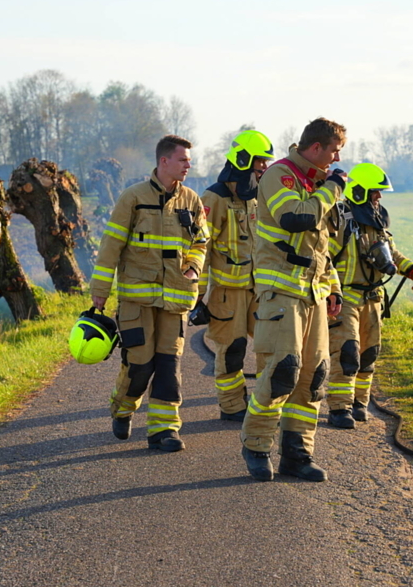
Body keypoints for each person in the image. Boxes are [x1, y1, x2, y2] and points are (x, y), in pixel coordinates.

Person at [240, 118, 347, 482]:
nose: (335, 160)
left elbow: (320, 248)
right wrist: (331, 190)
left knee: (313, 377)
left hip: (313, 295)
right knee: (281, 373)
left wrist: (332, 286)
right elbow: (294, 219)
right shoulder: (280, 176)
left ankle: (297, 453)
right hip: (282, 292)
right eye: (333, 151)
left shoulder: (314, 184)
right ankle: (256, 446)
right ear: (315, 148)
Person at [90, 135, 209, 451]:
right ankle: (123, 408)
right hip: (137, 300)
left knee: (169, 366)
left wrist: (194, 268)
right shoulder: (133, 198)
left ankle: (164, 430)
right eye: (183, 159)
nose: (188, 165)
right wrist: (100, 291)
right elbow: (111, 246)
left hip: (176, 299)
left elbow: (202, 241)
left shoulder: (192, 201)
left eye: (188, 160)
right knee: (140, 364)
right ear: (164, 161)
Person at [325, 163, 413, 429]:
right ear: (360, 191)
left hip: (373, 299)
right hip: (345, 296)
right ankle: (339, 408)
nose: (379, 198)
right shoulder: (340, 218)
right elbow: (324, 257)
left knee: (369, 353)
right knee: (347, 352)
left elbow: (391, 254)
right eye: (375, 192)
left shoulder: (377, 221)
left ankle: (360, 404)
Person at [199, 130, 275, 421]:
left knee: (270, 347)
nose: (264, 168)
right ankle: (232, 407)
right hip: (227, 294)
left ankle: (265, 404)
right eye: (260, 161)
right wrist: (197, 297)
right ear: (243, 160)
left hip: (260, 291)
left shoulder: (257, 196)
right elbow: (200, 248)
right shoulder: (214, 198)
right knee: (232, 351)